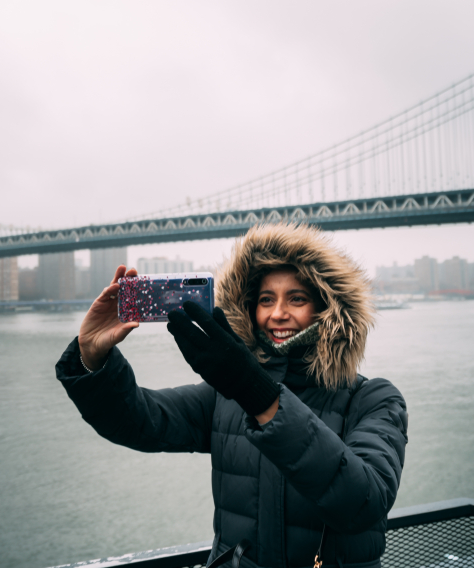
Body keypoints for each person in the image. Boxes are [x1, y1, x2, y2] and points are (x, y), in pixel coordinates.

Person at [56, 223, 407, 568]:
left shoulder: (374, 399)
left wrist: (256, 393)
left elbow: (365, 504)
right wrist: (92, 356)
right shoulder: (226, 396)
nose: (277, 313)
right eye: (266, 300)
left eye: (297, 299)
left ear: (328, 309)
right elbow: (141, 422)